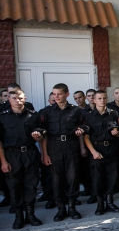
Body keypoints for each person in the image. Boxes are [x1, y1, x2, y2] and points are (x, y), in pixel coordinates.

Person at [39, 83, 87, 221]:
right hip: (54, 146)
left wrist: (81, 133)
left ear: (67, 94)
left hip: (71, 145)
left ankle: (72, 208)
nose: (56, 97)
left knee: (72, 178)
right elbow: (44, 134)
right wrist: (45, 154)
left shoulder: (75, 110)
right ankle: (61, 209)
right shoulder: (47, 112)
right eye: (54, 94)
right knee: (56, 179)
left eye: (59, 94)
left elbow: (82, 126)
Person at [0, 89, 45, 229]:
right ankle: (19, 216)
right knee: (14, 186)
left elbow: (42, 136)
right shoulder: (2, 117)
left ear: (24, 98)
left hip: (30, 153)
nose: (17, 101)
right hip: (12, 155)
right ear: (9, 99)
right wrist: (3, 161)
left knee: (31, 185)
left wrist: (39, 137)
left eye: (20, 98)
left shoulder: (33, 116)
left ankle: (31, 215)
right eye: (14, 98)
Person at [83, 90, 119, 215]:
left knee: (112, 175)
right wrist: (93, 152)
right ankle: (100, 204)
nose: (102, 100)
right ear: (94, 100)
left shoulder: (113, 114)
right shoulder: (88, 116)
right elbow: (86, 137)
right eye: (99, 98)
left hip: (111, 149)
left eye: (104, 98)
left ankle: (110, 202)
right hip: (97, 149)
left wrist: (117, 133)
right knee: (98, 177)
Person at [73, 90, 93, 202]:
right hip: (77, 144)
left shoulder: (90, 110)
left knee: (90, 169)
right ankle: (86, 188)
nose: (78, 100)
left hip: (90, 142)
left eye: (80, 97)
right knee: (80, 169)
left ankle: (92, 190)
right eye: (75, 98)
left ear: (84, 97)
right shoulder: (74, 111)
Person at [37, 92, 56, 209]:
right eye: (52, 101)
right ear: (49, 101)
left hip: (62, 147)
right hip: (48, 147)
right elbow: (41, 135)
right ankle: (50, 198)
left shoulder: (68, 111)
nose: (55, 102)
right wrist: (44, 153)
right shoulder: (44, 113)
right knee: (48, 175)